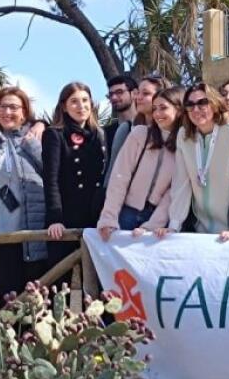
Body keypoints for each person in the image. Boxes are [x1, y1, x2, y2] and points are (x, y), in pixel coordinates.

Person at [0, 87, 48, 297]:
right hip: (0, 235)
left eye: (14, 107)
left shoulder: (36, 138)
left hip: (32, 235)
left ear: (24, 112)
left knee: (36, 299)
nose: (7, 112)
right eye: (2, 107)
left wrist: (33, 143)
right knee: (7, 298)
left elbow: (52, 174)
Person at [167, 83, 229, 239]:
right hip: (200, 229)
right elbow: (181, 183)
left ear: (214, 104)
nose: (196, 109)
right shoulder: (183, 136)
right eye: (190, 105)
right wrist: (174, 225)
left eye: (202, 103)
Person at [98, 86, 182, 239]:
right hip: (125, 214)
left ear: (179, 110)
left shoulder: (184, 145)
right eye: (155, 108)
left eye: (163, 108)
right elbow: (120, 176)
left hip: (157, 220)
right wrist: (109, 218)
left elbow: (174, 191)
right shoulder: (140, 134)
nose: (157, 113)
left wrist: (153, 225)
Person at [44, 82, 107, 263]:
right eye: (74, 101)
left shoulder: (100, 134)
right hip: (67, 216)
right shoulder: (55, 135)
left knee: (95, 272)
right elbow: (51, 180)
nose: (81, 106)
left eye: (85, 100)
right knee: (61, 272)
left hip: (95, 216)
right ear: (64, 107)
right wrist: (55, 218)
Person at [104, 74, 139, 179]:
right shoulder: (105, 133)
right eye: (111, 94)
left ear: (134, 93)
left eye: (119, 92)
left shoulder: (148, 127)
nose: (114, 97)